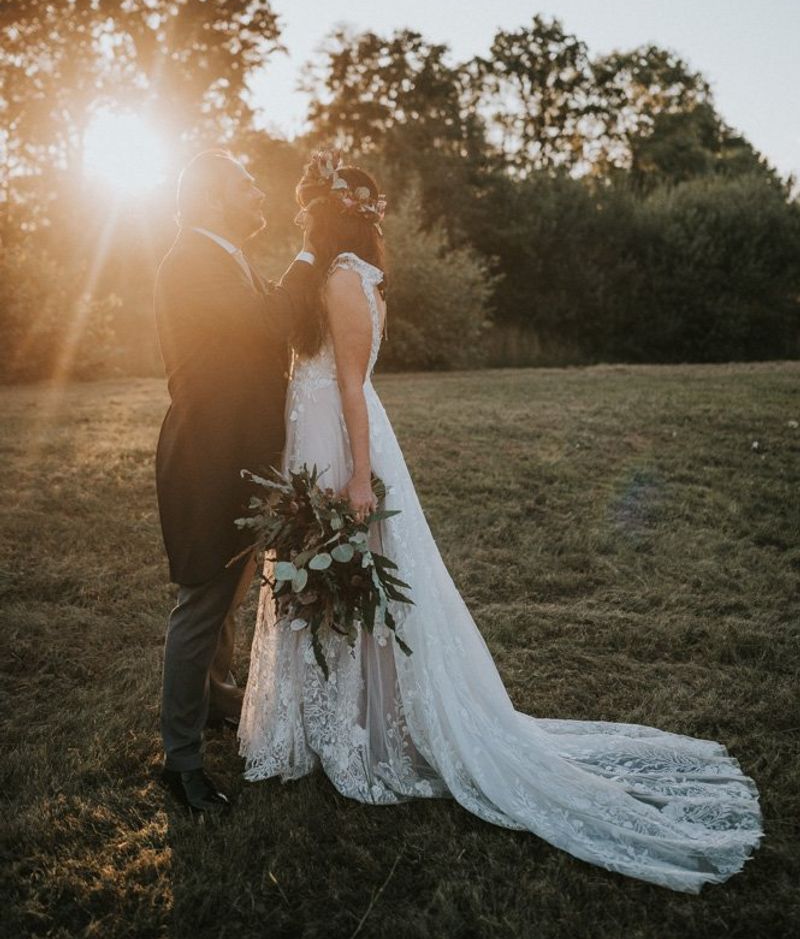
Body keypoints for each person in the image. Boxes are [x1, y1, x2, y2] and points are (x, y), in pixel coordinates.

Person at [238, 148, 763, 892]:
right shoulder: (325, 275)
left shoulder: (350, 281)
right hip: (309, 438)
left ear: (324, 216)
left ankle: (363, 729)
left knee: (348, 576)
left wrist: (358, 475)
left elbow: (352, 385)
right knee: (315, 575)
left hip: (340, 439)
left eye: (309, 210)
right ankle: (319, 722)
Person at [154, 148, 318, 813]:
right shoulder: (190, 259)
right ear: (213, 196)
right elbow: (268, 322)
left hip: (242, 452)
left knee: (231, 589)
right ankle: (180, 760)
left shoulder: (223, 254)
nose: (257, 192)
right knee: (202, 604)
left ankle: (217, 700)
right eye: (245, 183)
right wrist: (311, 251)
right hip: (208, 459)